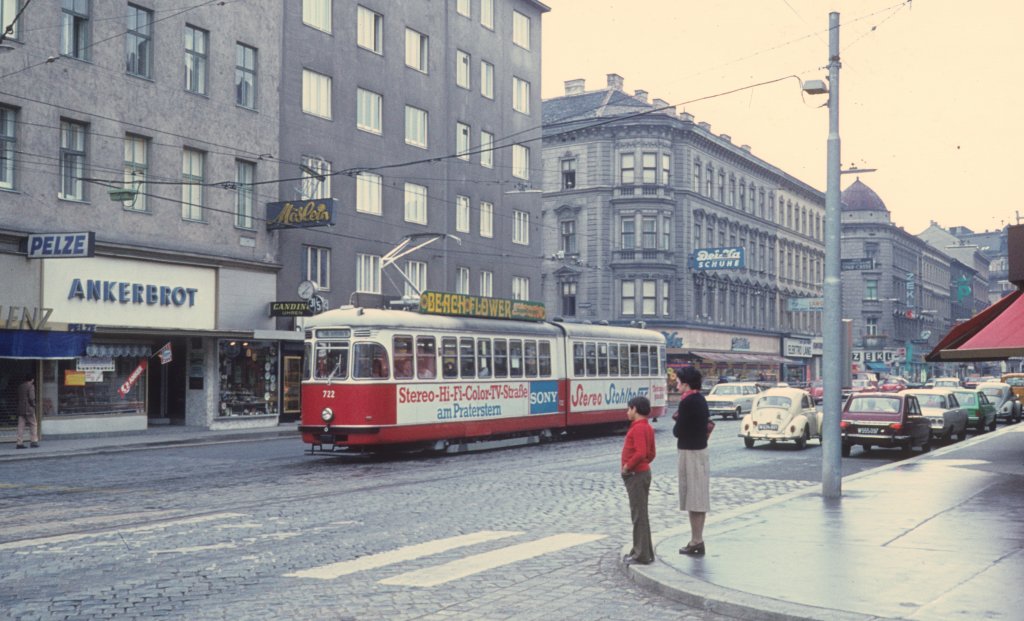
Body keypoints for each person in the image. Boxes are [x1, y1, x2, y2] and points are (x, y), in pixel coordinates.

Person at [673, 366, 709, 555]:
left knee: (693, 498)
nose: (676, 386)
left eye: (678, 382)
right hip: (700, 450)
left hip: (690, 452)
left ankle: (696, 540)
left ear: (686, 384)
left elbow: (678, 431)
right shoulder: (700, 399)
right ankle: (696, 539)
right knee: (697, 497)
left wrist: (678, 423)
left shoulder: (687, 402)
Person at [620, 395, 656, 566]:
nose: (627, 412)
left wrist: (628, 466)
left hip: (635, 474)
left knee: (638, 515)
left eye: (629, 409)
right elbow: (651, 453)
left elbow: (641, 452)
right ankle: (643, 550)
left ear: (634, 409)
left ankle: (641, 554)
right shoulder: (647, 427)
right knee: (641, 513)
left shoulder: (638, 428)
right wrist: (644, 464)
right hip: (642, 472)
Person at [16, 373, 39, 449]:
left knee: (21, 426)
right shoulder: (31, 386)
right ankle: (34, 441)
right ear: (32, 379)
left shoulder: (20, 386)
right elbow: (32, 397)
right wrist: (34, 405)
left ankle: (19, 443)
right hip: (29, 409)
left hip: (21, 408)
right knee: (33, 424)